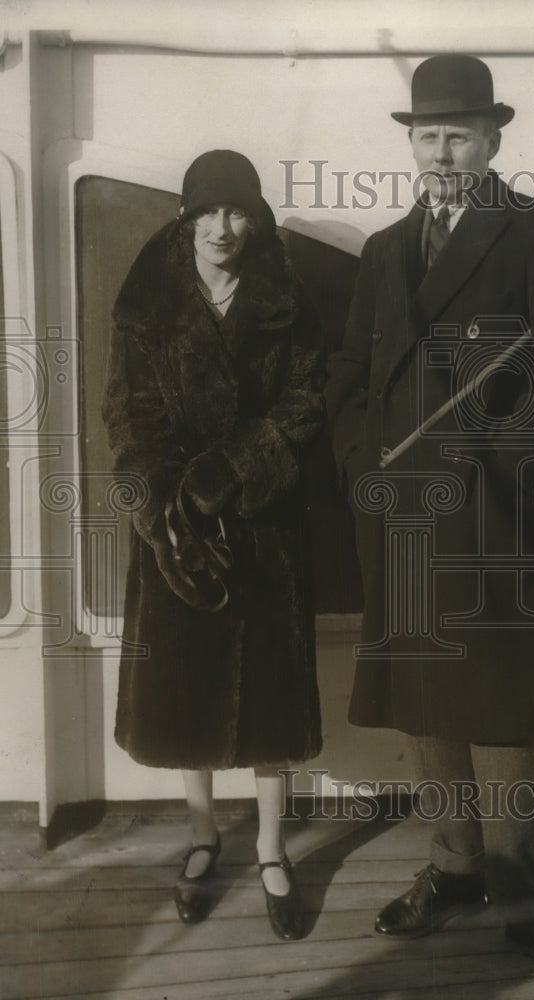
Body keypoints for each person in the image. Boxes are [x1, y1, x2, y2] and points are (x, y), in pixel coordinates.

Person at [324, 55, 534, 995]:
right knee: (425, 714)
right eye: (426, 135)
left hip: (499, 522)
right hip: (405, 522)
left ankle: (527, 906)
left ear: (493, 139)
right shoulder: (382, 250)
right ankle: (454, 871)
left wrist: (491, 439)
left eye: (458, 134)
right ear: (409, 143)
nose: (440, 151)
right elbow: (352, 378)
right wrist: (358, 454)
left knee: (503, 719)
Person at [103, 149, 324, 939]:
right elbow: (126, 416)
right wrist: (165, 506)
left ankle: (270, 846)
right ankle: (203, 836)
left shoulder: (285, 295)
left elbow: (305, 404)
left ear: (255, 219)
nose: (223, 228)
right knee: (187, 687)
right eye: (209, 213)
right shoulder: (147, 302)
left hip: (264, 522)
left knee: (268, 692)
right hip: (173, 528)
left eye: (238, 212)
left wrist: (231, 471)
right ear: (187, 218)